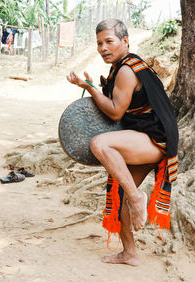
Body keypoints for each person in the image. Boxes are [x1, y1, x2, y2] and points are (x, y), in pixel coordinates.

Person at [66, 19, 178, 266]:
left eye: (109, 41)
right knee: (118, 192)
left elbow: (115, 112)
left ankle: (138, 198)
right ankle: (130, 253)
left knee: (100, 144)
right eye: (99, 43)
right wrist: (92, 86)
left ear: (125, 41)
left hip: (154, 141)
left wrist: (90, 89)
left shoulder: (127, 70)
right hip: (140, 138)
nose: (103, 47)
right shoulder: (122, 66)